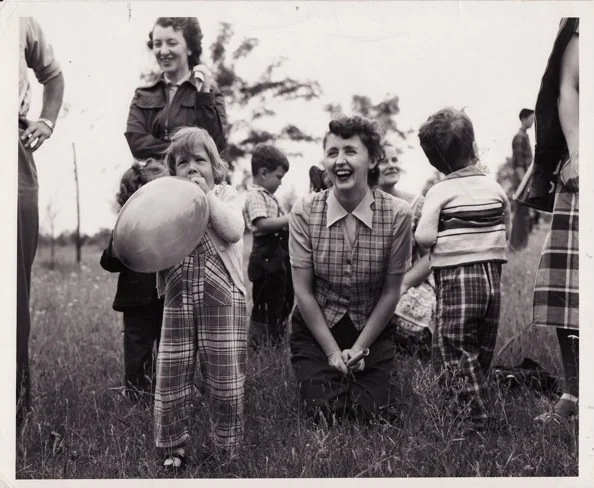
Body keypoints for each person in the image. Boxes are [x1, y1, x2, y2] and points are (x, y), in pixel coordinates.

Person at [289, 116, 413, 423]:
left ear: (372, 160)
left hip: (370, 328)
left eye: (350, 151)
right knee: (325, 414)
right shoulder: (304, 211)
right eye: (332, 153)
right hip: (317, 329)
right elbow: (303, 292)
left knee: (372, 414)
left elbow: (391, 292)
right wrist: (332, 353)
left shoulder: (398, 214)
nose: (339, 161)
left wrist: (359, 349)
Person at [154, 127, 246, 470]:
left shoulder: (226, 194)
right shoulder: (167, 202)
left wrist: (206, 197)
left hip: (221, 298)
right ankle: (173, 447)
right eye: (183, 163)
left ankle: (227, 447)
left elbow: (233, 229)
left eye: (200, 160)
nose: (192, 168)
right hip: (178, 296)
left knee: (224, 378)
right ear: (172, 171)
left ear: (215, 167)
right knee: (172, 374)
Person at [415, 108, 511, 433]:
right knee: (480, 344)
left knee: (455, 345)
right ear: (473, 148)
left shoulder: (439, 191)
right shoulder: (494, 186)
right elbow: (505, 224)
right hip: (492, 276)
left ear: (434, 162)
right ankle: (465, 403)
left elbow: (425, 237)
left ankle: (475, 419)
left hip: (458, 277)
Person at [531, 18, 579, 424]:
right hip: (586, 169)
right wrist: (577, 154)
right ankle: (575, 393)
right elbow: (569, 86)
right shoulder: (583, 22)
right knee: (570, 284)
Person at [17, 17, 65, 425]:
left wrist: (46, 120)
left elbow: (53, 75)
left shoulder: (23, 20)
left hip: (11, 153)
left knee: (12, 287)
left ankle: (13, 406)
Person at [100, 159, 168, 404]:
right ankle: (137, 396)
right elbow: (108, 262)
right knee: (137, 353)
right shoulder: (125, 225)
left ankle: (169, 394)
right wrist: (120, 246)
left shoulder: (170, 223)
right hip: (135, 302)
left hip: (167, 298)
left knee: (169, 350)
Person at [125, 17, 227, 160]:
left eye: (171, 43)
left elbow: (215, 145)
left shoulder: (210, 93)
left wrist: (203, 95)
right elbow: (137, 144)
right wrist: (186, 150)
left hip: (192, 179)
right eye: (157, 44)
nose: (163, 51)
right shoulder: (142, 95)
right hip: (152, 178)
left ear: (190, 47)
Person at [376, 142, 435, 354]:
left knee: (411, 315)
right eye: (384, 161)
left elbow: (430, 257)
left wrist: (403, 285)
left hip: (411, 281)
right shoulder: (362, 204)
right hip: (373, 283)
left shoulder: (417, 204)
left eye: (394, 160)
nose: (392, 165)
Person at [243, 145, 294, 348]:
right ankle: (258, 344)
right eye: (279, 177)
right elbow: (262, 223)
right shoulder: (256, 196)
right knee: (266, 301)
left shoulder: (270, 197)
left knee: (282, 297)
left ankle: (277, 340)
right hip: (265, 257)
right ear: (263, 173)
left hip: (278, 257)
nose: (280, 183)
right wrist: (289, 218)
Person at [509, 108, 535, 250]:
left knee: (524, 214)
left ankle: (520, 245)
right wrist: (524, 185)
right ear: (524, 119)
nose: (533, 121)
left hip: (524, 181)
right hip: (521, 182)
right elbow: (518, 164)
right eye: (531, 118)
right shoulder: (519, 137)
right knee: (521, 214)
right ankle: (517, 245)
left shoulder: (525, 136)